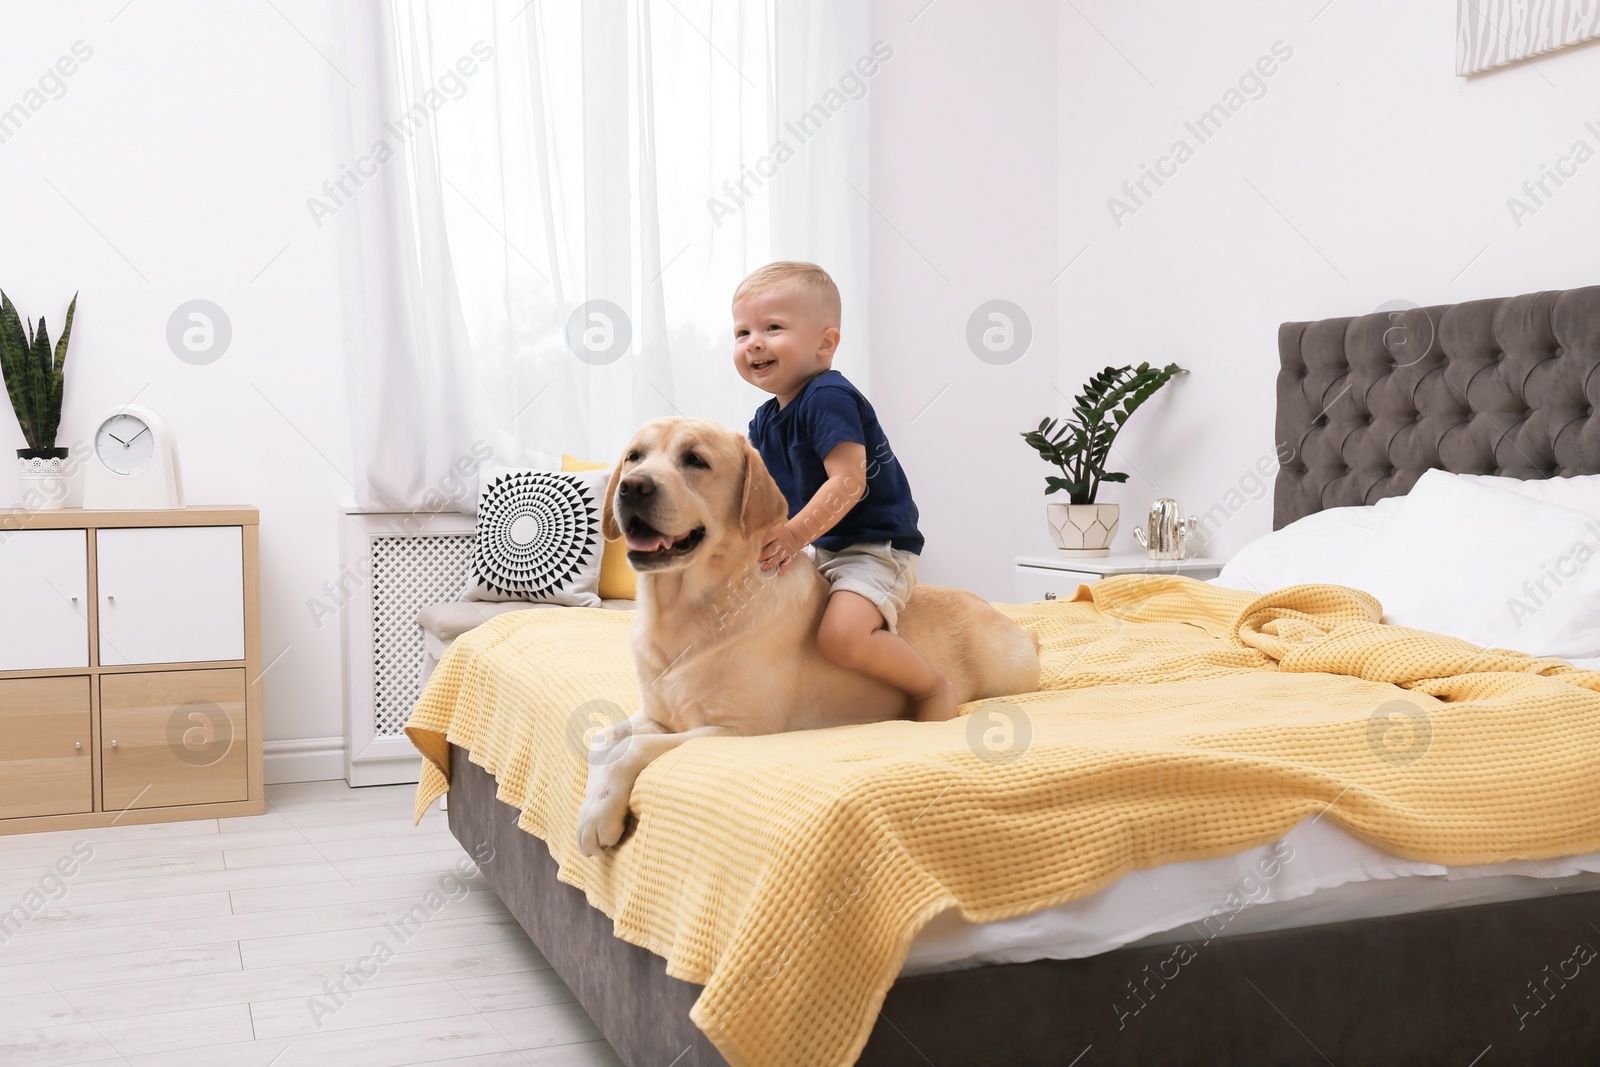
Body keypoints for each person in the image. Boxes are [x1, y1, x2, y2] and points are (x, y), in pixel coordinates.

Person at [734, 261, 957, 721]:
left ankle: (933, 688)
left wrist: (794, 536)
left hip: (876, 548)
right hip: (825, 548)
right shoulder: (763, 419)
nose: (754, 342)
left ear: (825, 342)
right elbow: (762, 496)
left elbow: (849, 482)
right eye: (742, 332)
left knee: (840, 638)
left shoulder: (827, 397)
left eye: (773, 328)